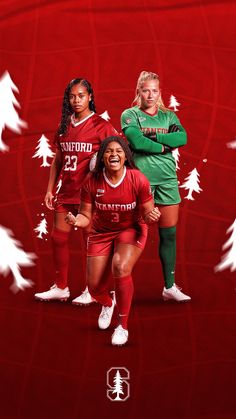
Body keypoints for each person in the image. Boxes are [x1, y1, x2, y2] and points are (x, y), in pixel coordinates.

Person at [65, 136, 160, 345]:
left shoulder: (138, 179)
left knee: (120, 265)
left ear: (126, 155)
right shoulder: (92, 181)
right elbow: (85, 216)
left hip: (131, 229)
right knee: (94, 288)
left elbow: (147, 213)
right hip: (101, 232)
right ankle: (108, 304)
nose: (113, 154)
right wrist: (76, 220)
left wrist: (151, 217)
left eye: (118, 151)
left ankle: (122, 327)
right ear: (102, 157)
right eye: (108, 151)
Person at [34, 78, 118, 304]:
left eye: (81, 95)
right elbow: (58, 160)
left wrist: (102, 167)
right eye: (72, 96)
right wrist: (50, 189)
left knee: (91, 241)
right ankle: (61, 287)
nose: (77, 100)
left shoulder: (101, 126)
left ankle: (94, 290)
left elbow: (119, 154)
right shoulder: (64, 126)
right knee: (58, 237)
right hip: (67, 191)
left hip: (90, 195)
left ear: (90, 96)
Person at [121, 71, 191, 302]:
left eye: (154, 90)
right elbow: (136, 141)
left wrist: (152, 137)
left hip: (168, 179)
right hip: (140, 180)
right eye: (145, 90)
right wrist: (163, 145)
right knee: (132, 233)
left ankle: (169, 287)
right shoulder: (130, 114)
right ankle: (117, 285)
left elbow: (182, 139)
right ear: (138, 91)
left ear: (160, 92)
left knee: (169, 234)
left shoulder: (168, 116)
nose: (150, 95)